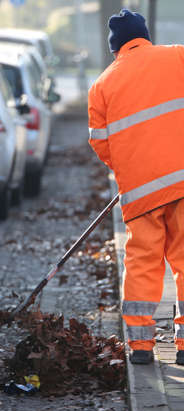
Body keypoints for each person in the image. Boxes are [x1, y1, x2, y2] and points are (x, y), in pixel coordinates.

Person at [88, 8, 184, 365]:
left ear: (115, 47)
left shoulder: (102, 84)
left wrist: (130, 168)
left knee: (143, 263)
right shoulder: (178, 56)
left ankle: (142, 347)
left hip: (141, 192)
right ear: (144, 36)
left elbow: (100, 141)